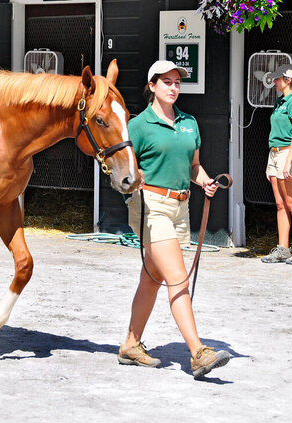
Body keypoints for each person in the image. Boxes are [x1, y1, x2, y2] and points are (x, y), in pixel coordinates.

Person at [118, 60, 230, 378]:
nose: (173, 87)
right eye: (166, 82)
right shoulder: (138, 126)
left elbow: (193, 166)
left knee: (151, 279)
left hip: (182, 207)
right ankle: (197, 352)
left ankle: (130, 344)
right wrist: (130, 189)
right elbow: (123, 165)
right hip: (150, 206)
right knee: (177, 276)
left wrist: (205, 181)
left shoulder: (189, 123)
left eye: (177, 82)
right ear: (152, 86)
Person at [261, 64, 292, 265]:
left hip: (288, 154)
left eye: (277, 78)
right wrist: (269, 162)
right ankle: (283, 249)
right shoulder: (280, 101)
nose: (274, 81)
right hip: (275, 154)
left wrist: (288, 161)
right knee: (280, 204)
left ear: (288, 80)